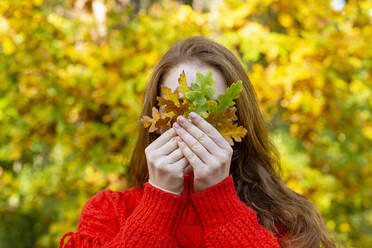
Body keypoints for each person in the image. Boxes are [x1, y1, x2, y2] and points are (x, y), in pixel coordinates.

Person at [59, 36, 336, 248]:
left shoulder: (287, 219)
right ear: (154, 119)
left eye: (211, 113)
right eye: (176, 108)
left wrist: (220, 202)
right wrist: (158, 202)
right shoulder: (109, 212)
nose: (194, 126)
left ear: (239, 122)